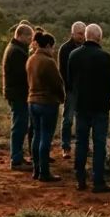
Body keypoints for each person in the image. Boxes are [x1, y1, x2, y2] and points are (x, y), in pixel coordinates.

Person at [68, 24, 110, 192]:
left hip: (81, 105)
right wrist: (105, 97)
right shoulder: (105, 57)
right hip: (100, 107)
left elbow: (69, 81)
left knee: (81, 142)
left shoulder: (73, 55)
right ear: (99, 37)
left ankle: (80, 179)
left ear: (86, 36)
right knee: (99, 143)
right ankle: (98, 181)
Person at [27, 31, 65, 182]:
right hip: (47, 102)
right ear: (48, 46)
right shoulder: (49, 62)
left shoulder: (31, 60)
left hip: (32, 101)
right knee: (45, 138)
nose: (53, 51)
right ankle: (44, 172)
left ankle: (36, 170)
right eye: (52, 47)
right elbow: (57, 83)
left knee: (36, 136)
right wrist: (61, 98)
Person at [2, 23, 33, 172]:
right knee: (19, 126)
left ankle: (18, 156)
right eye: (28, 37)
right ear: (20, 35)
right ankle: (16, 159)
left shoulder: (15, 49)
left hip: (17, 93)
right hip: (19, 94)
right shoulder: (16, 52)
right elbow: (22, 76)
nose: (30, 40)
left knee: (21, 125)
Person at [58, 22, 86, 157]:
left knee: (84, 118)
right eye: (80, 33)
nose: (83, 36)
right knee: (68, 118)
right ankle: (65, 146)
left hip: (85, 89)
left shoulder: (87, 47)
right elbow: (62, 71)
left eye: (84, 33)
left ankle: (82, 146)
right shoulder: (65, 49)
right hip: (72, 89)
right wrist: (69, 87)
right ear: (73, 33)